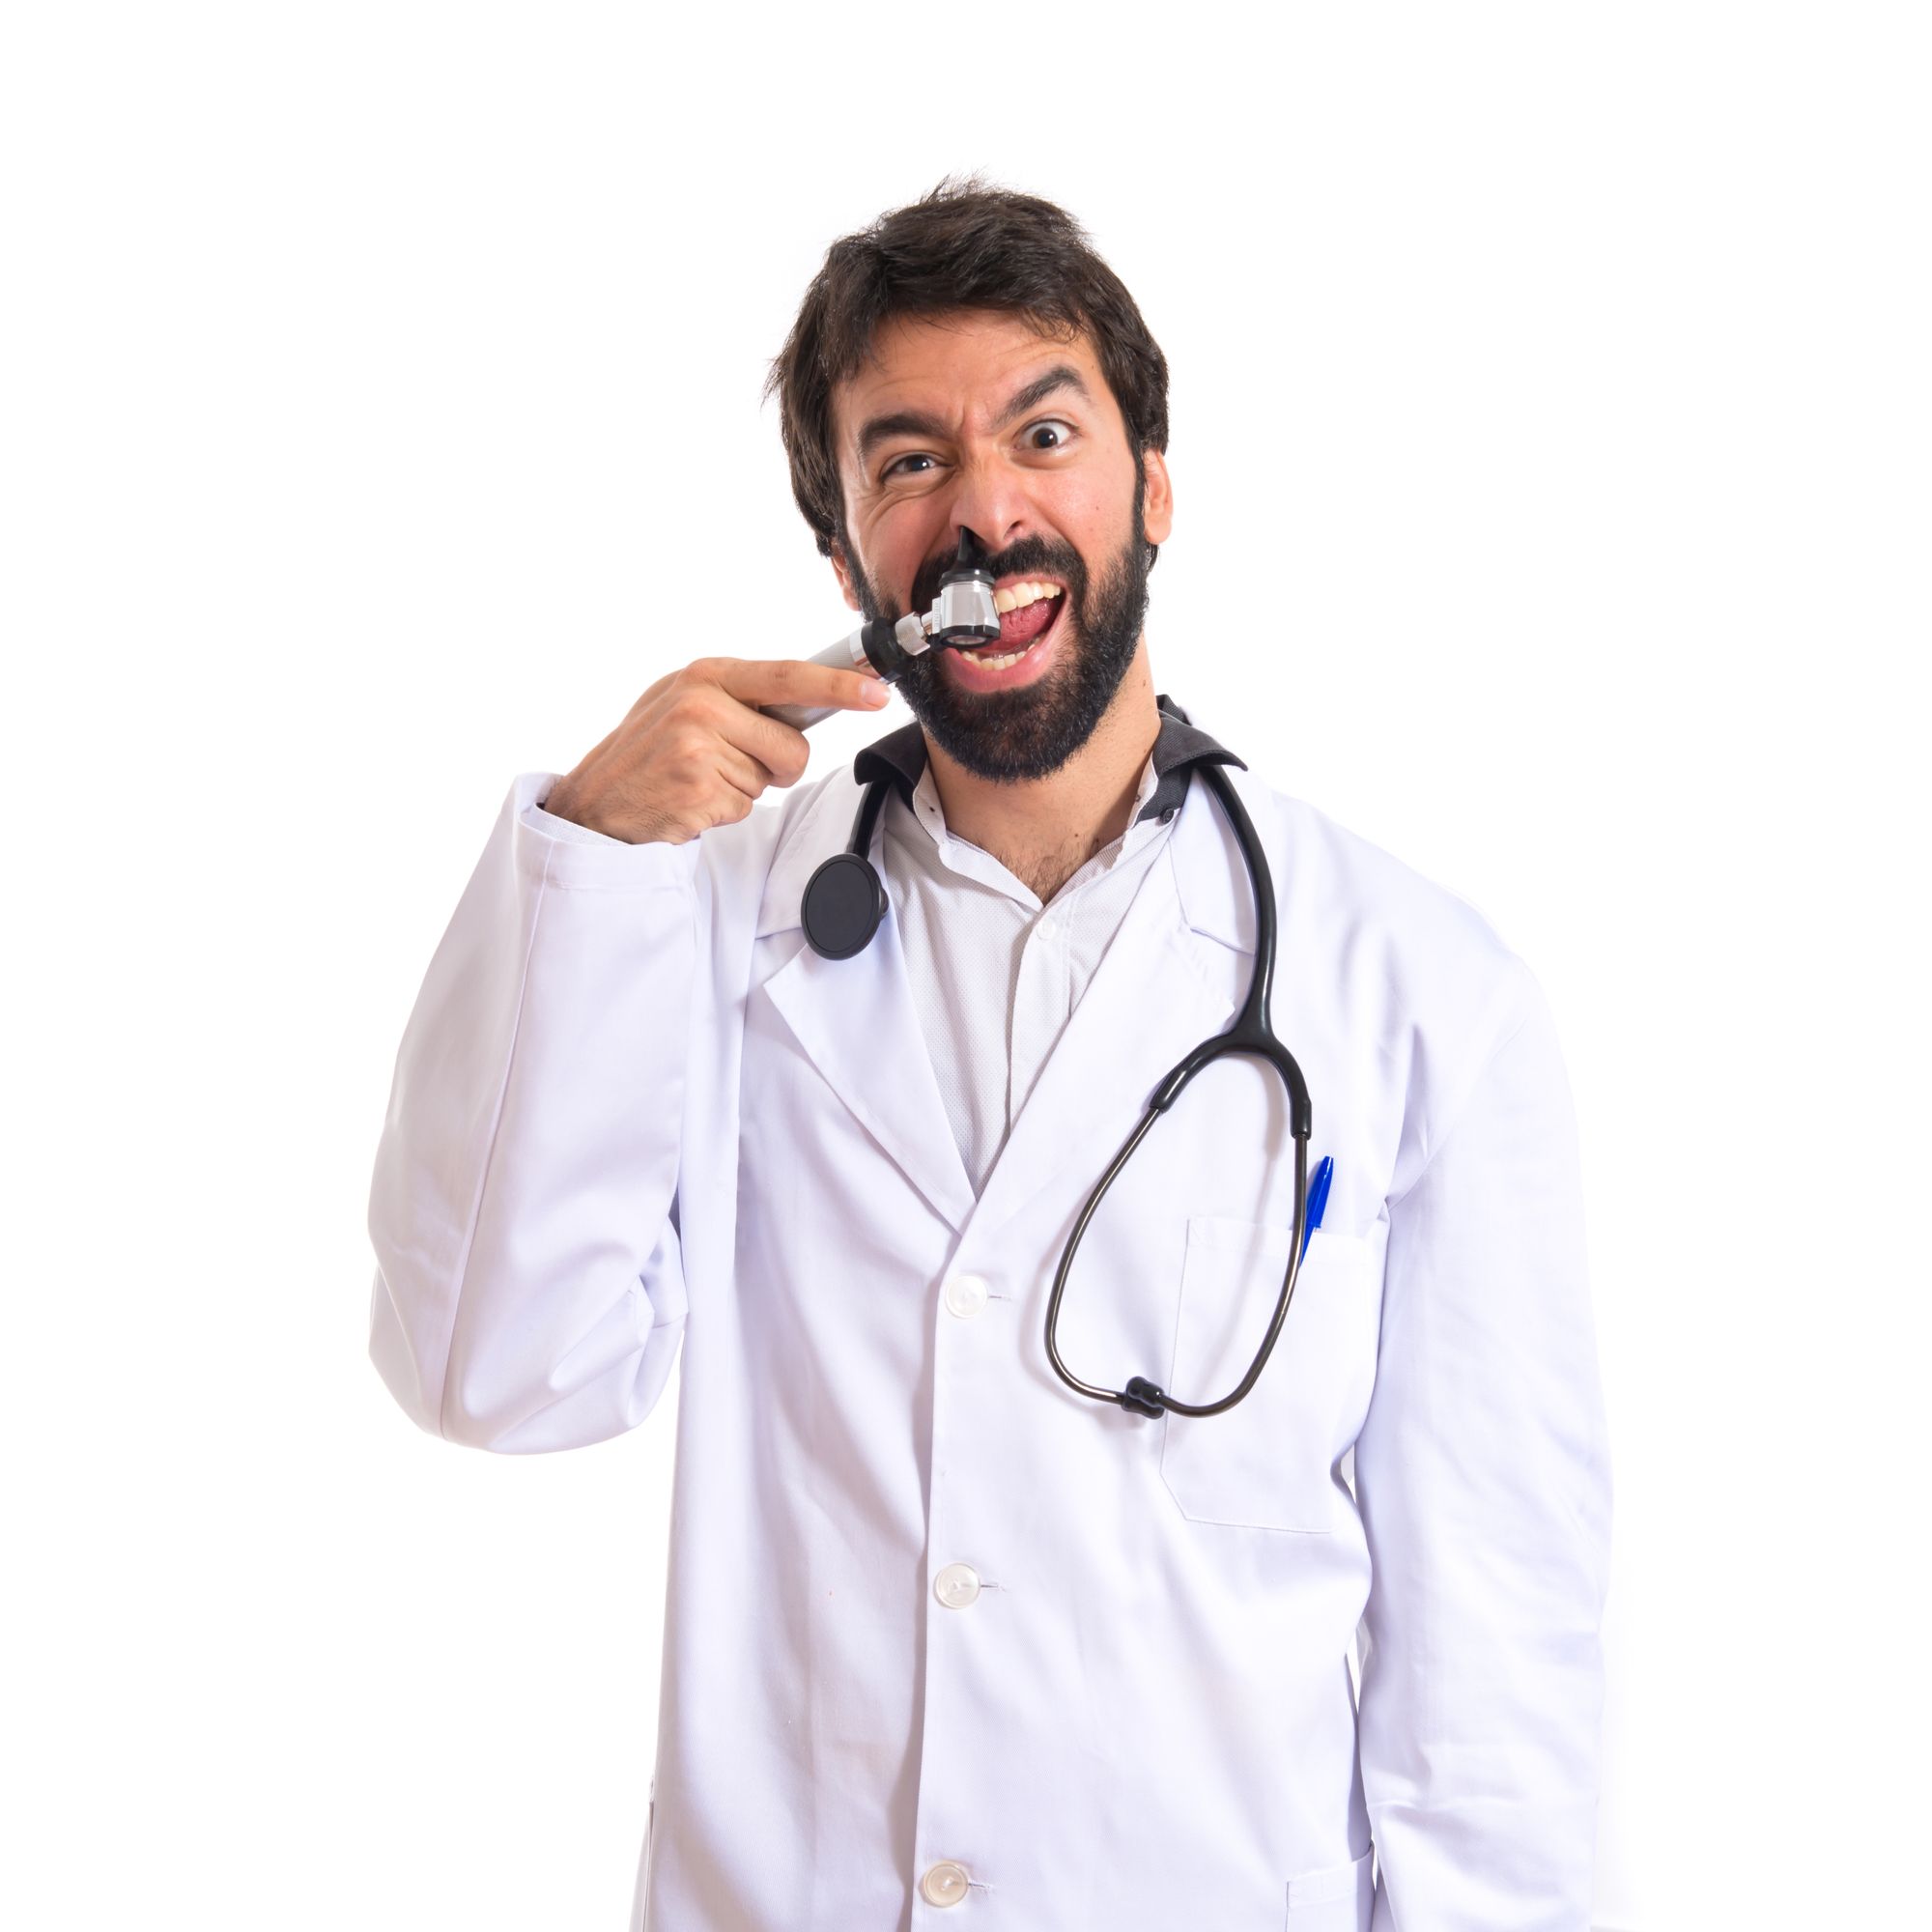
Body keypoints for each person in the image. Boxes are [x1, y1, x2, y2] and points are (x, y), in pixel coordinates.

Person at [367, 177, 1613, 1932]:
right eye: (908, 463)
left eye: (1045, 430)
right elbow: (495, 1371)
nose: (986, 512)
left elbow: (1500, 1663)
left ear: (1154, 487)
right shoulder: (706, 929)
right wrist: (589, 866)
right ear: (848, 563)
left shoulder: (1415, 990)